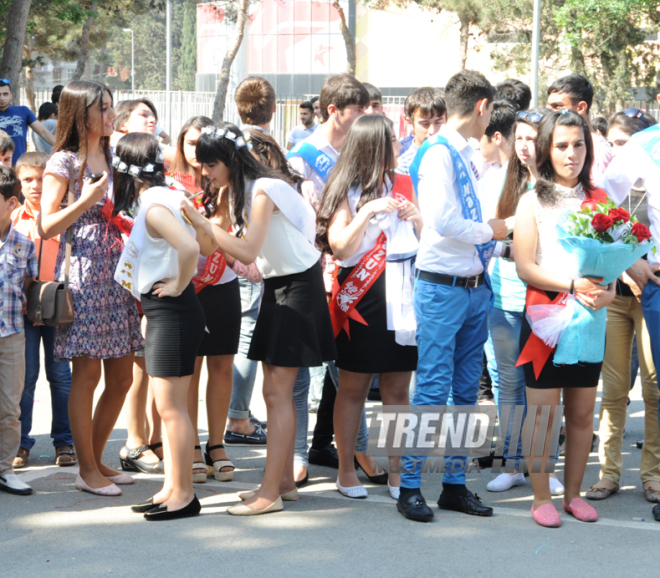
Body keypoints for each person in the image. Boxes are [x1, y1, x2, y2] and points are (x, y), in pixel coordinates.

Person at [181, 122, 336, 516]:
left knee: (277, 394)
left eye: (209, 164)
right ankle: (282, 484)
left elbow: (247, 251)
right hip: (280, 287)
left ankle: (270, 494)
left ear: (230, 160)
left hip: (297, 288)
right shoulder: (247, 190)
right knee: (274, 391)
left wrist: (204, 227)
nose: (205, 173)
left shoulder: (264, 189)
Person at [397, 70, 505, 523]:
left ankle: (455, 486)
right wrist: (492, 231)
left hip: (473, 286)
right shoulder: (440, 153)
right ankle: (408, 487)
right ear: (481, 107)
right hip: (443, 287)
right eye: (491, 111)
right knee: (433, 391)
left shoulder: (464, 153)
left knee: (464, 392)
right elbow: (441, 220)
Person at [39, 80, 143, 496]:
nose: (110, 114)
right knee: (86, 374)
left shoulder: (117, 155)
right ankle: (86, 470)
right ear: (81, 113)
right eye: (102, 108)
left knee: (121, 376)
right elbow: (48, 226)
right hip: (84, 275)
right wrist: (88, 198)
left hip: (119, 276)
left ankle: (94, 461)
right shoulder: (63, 162)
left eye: (111, 106)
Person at [515, 109, 616, 527]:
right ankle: (541, 496)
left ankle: (574, 494)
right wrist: (572, 286)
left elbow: (611, 261)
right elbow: (525, 266)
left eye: (578, 145)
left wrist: (608, 289)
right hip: (545, 318)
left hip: (590, 321)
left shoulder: (601, 201)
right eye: (561, 146)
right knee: (543, 415)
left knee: (579, 415)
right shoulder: (532, 199)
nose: (571, 153)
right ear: (546, 150)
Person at [317, 114, 420, 499]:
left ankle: (397, 473)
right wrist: (366, 211)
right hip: (360, 298)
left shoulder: (406, 183)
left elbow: (427, 240)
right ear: (372, 146)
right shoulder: (345, 187)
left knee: (397, 389)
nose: (397, 146)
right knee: (353, 386)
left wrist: (417, 218)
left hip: (402, 296)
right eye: (390, 140)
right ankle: (346, 472)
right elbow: (340, 246)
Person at [113, 132, 208, 521]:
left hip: (171, 309)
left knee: (172, 410)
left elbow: (191, 248)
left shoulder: (153, 206)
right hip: (170, 309)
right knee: (170, 407)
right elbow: (204, 241)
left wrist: (179, 283)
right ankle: (171, 488)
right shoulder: (167, 196)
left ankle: (183, 495)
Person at [288, 75, 376, 477]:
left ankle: (355, 450)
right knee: (301, 368)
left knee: (350, 368)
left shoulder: (362, 151)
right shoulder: (302, 156)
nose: (365, 115)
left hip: (353, 268)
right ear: (333, 111)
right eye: (358, 110)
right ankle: (296, 456)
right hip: (310, 267)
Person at [482, 108, 563, 495]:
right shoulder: (499, 181)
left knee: (546, 388)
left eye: (534, 137)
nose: (527, 145)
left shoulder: (559, 186)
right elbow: (486, 236)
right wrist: (513, 245)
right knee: (508, 385)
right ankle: (511, 464)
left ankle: (542, 467)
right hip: (505, 297)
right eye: (521, 138)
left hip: (550, 301)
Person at [586, 108, 660, 504]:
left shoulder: (652, 172)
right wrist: (629, 263)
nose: (616, 152)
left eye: (623, 143)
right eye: (613, 144)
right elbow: (594, 225)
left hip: (652, 294)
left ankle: (653, 475)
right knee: (614, 390)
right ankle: (608, 473)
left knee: (654, 389)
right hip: (615, 292)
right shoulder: (607, 193)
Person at [11, 152, 75, 470]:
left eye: (41, 179)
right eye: (28, 180)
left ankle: (64, 441)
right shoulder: (11, 219)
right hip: (22, 309)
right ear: (19, 183)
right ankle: (20, 444)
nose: (35, 185)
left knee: (61, 377)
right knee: (25, 379)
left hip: (59, 307)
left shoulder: (63, 216)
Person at [0, 166, 37, 496]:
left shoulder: (25, 244)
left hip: (11, 333)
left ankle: (4, 469)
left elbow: (28, 285)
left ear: (12, 203)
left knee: (10, 409)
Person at [546, 74, 612, 181]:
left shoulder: (599, 152)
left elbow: (598, 196)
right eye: (562, 146)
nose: (549, 113)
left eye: (557, 107)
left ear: (581, 107)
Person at [0, 80, 55, 164]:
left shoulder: (23, 111)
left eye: (5, 94)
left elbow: (44, 132)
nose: (2, 98)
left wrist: (63, 148)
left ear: (11, 95)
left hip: (19, 166)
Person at [397, 87, 447, 176]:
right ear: (409, 122)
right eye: (425, 124)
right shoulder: (403, 167)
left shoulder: (458, 157)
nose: (432, 131)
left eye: (438, 122)